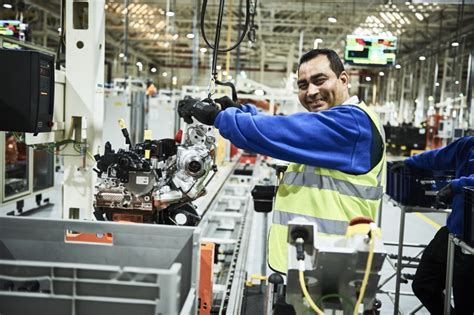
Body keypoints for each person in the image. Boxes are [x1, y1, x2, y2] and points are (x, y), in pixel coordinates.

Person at [179, 48, 386, 274]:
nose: (312, 91)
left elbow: (280, 132)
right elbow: (283, 129)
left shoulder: (352, 124)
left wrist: (217, 117)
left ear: (343, 79)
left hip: (333, 276)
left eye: (320, 80)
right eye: (304, 85)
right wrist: (239, 111)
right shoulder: (342, 122)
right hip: (312, 267)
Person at [392, 137, 474, 314]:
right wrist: (409, 163)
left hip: (472, 245)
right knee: (423, 284)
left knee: (465, 305)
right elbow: (439, 157)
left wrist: (456, 186)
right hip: (454, 231)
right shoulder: (468, 144)